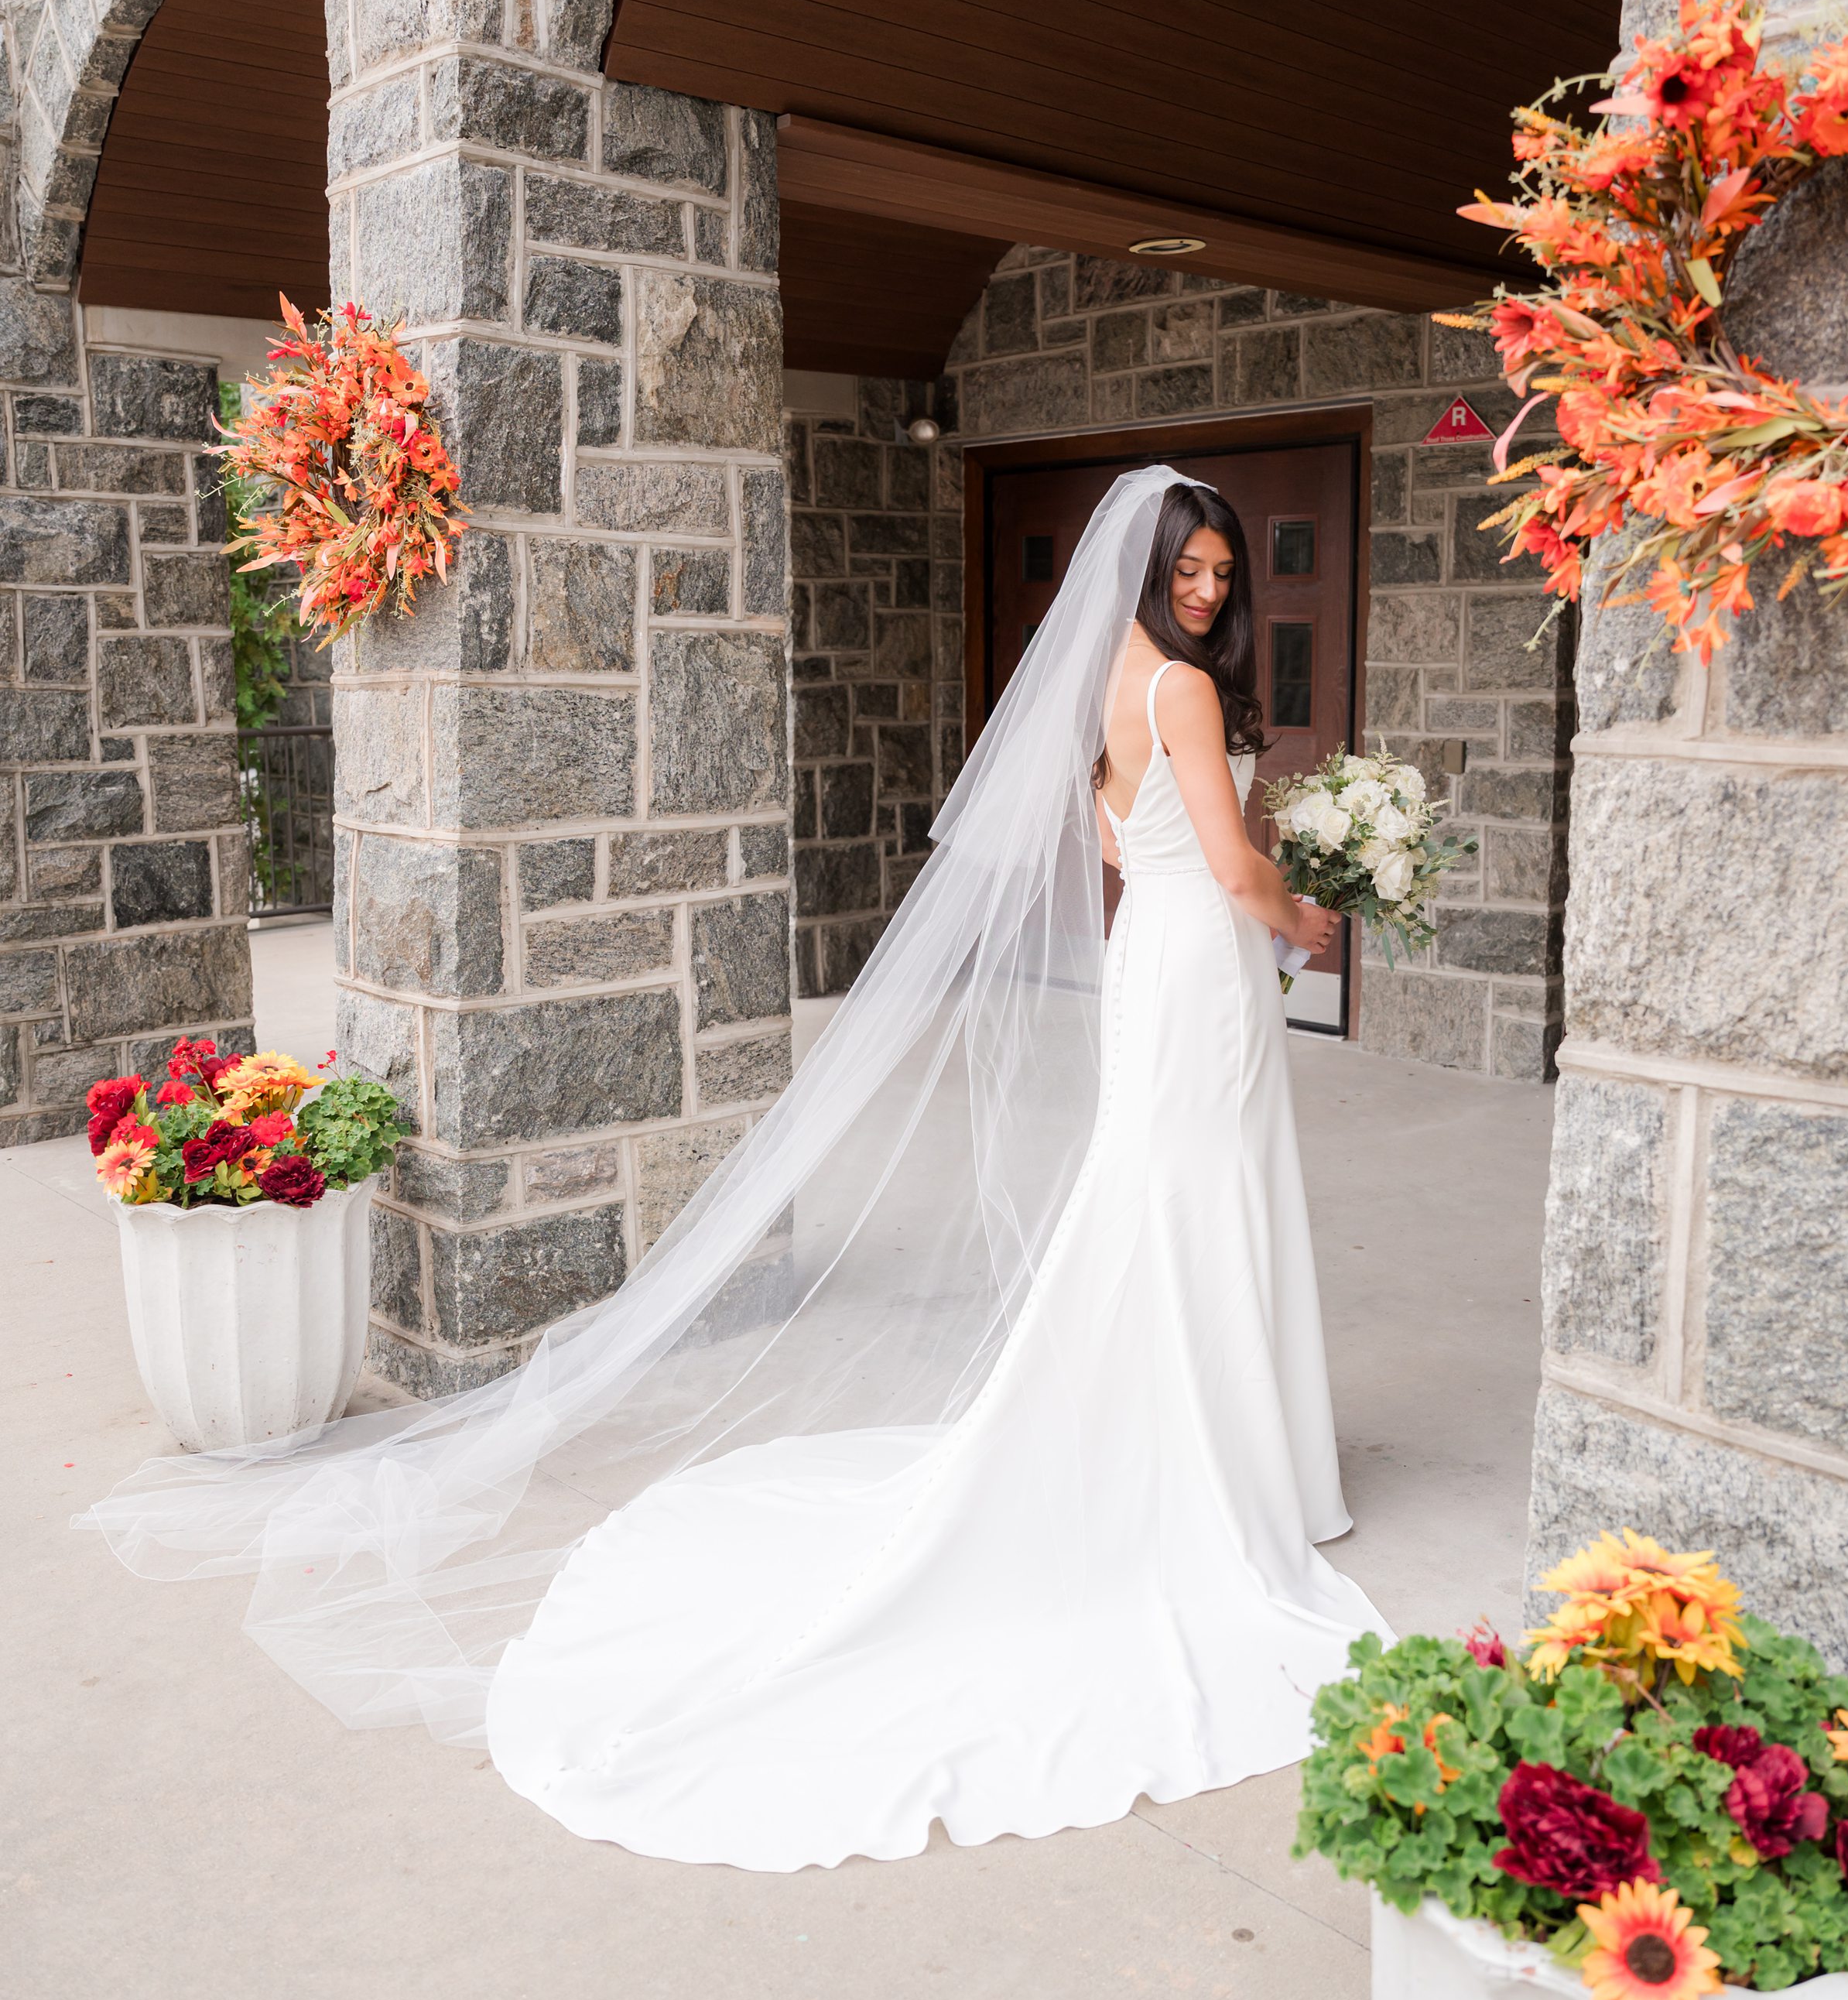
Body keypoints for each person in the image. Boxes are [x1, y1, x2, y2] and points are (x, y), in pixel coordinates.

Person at [85, 467, 1390, 1870]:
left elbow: (1109, 845)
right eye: (1188, 570)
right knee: (1192, 1196)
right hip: (1201, 969)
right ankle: (1227, 1473)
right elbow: (1230, 872)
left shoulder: (1107, 686)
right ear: (1145, 571)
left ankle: (1213, 1442)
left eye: (1219, 575)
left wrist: (1237, 890)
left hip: (1159, 965)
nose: (1207, 592)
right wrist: (1311, 917)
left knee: (1170, 1194)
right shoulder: (1183, 693)